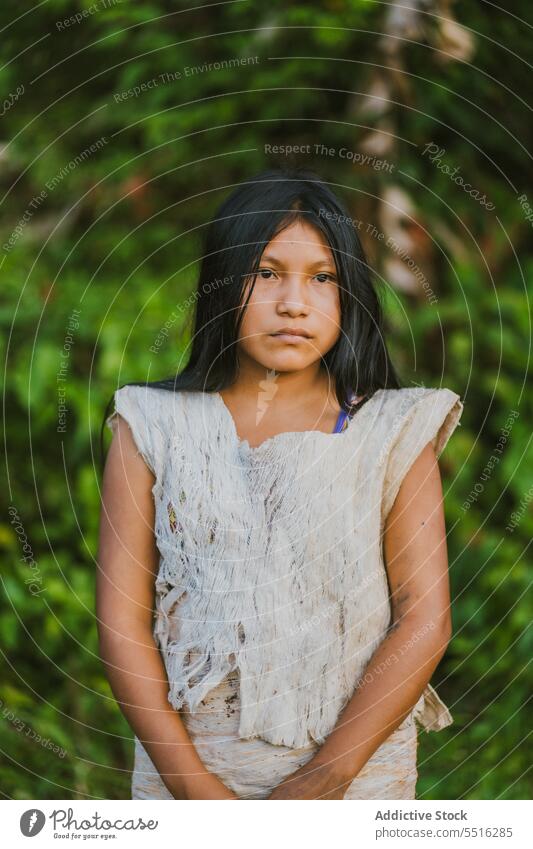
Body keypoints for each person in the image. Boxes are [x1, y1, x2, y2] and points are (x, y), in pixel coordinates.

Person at [96, 167, 464, 800]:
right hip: (188, 778)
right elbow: (122, 625)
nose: (294, 302)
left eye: (322, 278)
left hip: (356, 781)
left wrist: (325, 780)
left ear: (348, 294)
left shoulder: (393, 431)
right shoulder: (150, 425)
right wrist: (196, 793)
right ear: (220, 283)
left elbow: (424, 621)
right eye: (266, 273)